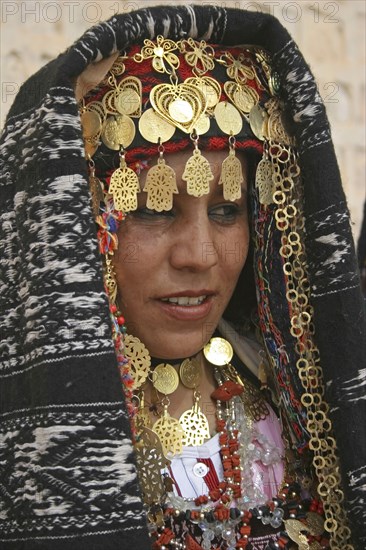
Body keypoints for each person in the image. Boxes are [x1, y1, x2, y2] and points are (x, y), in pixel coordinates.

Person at [0, 5, 365, 550]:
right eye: (151, 209)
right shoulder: (22, 443)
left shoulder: (300, 407)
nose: (200, 256)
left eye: (227, 211)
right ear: (70, 228)